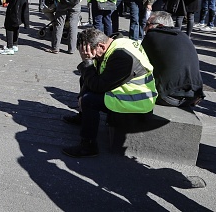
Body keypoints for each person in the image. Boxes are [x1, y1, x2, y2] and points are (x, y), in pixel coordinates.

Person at [62, 28, 157, 158]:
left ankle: (88, 146)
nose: (89, 56)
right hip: (125, 89)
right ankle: (83, 116)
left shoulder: (122, 57)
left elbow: (98, 86)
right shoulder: (115, 43)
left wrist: (87, 62)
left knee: (89, 100)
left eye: (90, 53)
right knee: (86, 76)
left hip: (136, 102)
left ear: (101, 45)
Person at [142, 11, 204, 107]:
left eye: (148, 24)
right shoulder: (184, 36)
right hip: (194, 95)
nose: (145, 28)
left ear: (161, 25)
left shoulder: (152, 36)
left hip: (169, 97)